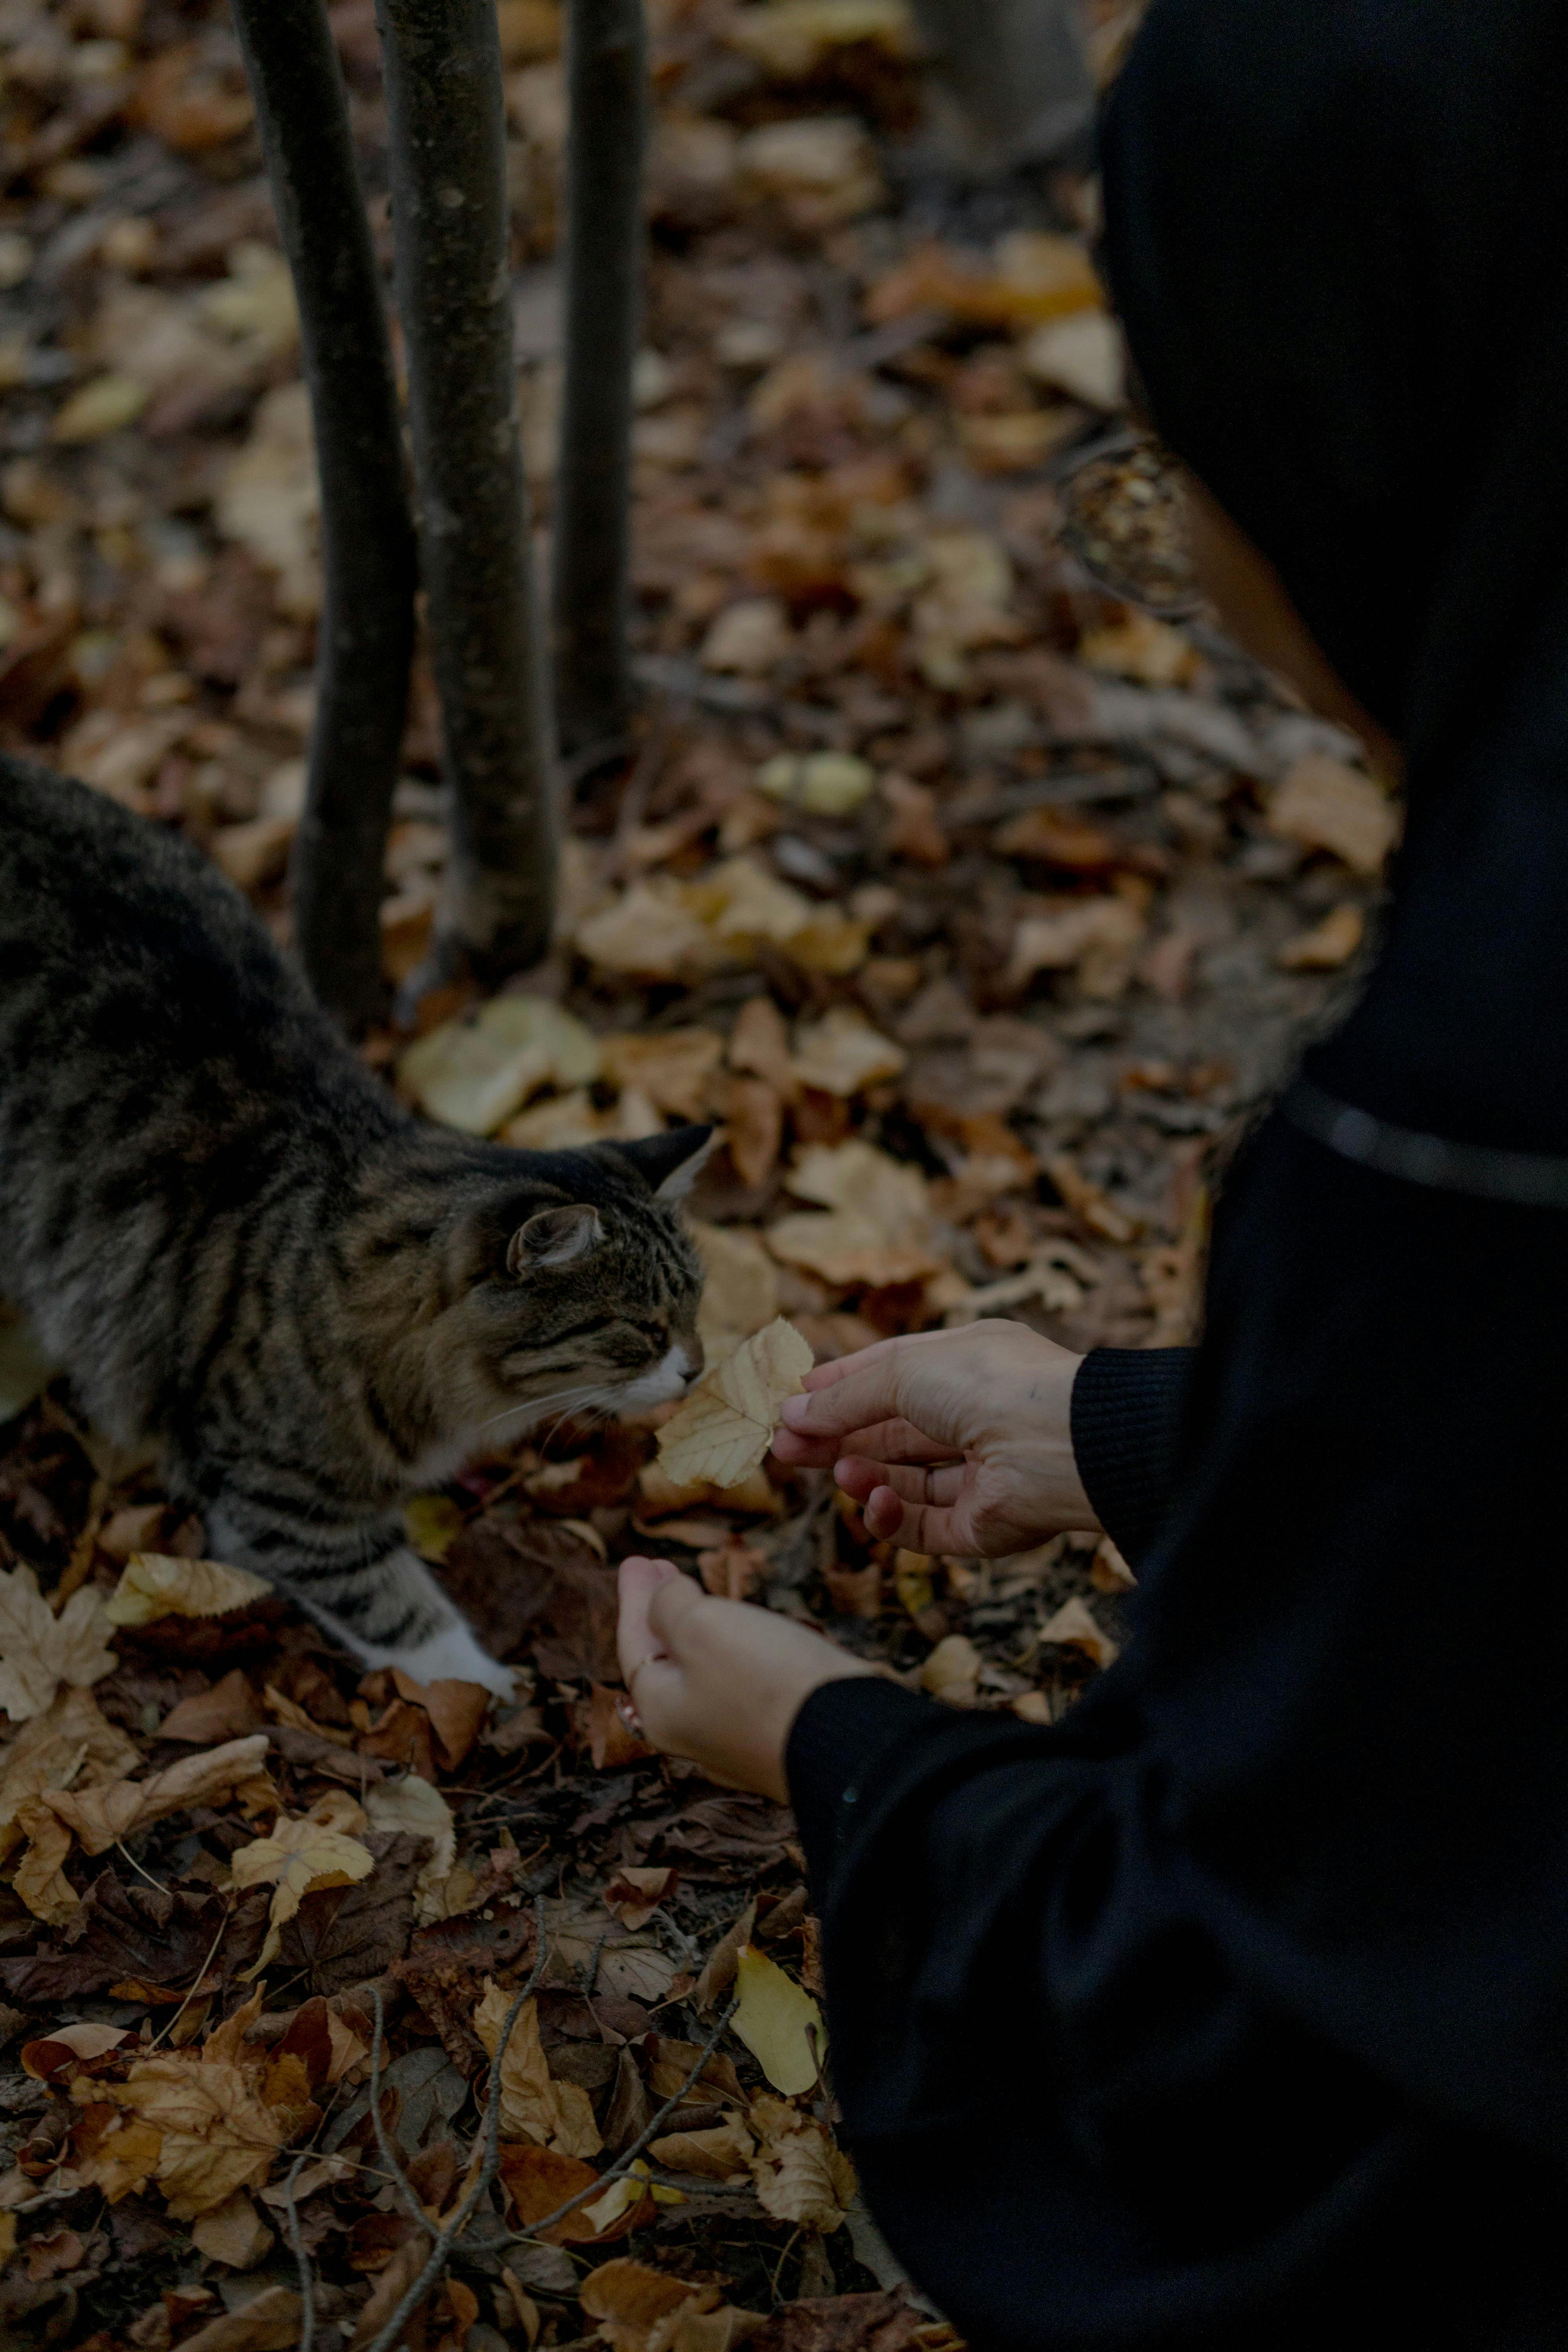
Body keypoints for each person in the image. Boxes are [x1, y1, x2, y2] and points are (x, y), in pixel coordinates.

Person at [619, 4, 1568, 2342]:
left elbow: (1266, 2054)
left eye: (1194, 448)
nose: (1204, 561)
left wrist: (839, 1756)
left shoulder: (1467, 1118)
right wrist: (1127, 1435)